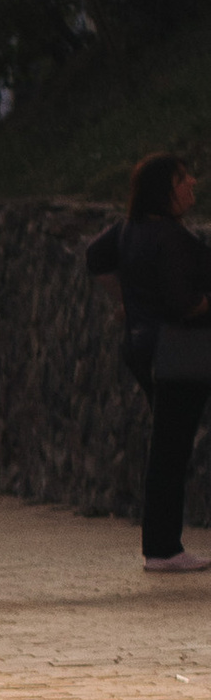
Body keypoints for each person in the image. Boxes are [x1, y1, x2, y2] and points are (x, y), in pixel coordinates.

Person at [113, 149, 211, 574]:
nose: (192, 185)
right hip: (179, 353)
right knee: (171, 449)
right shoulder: (170, 238)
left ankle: (161, 546)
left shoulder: (132, 231)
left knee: (167, 447)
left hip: (146, 347)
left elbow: (97, 258)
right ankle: (163, 547)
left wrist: (128, 305)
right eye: (182, 180)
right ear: (164, 192)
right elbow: (183, 303)